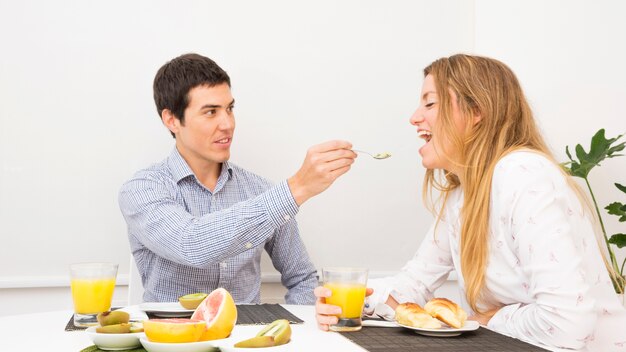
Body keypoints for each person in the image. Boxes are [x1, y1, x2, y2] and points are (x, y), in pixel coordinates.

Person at [314, 54, 626, 351]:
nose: (414, 117)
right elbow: (413, 284)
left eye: (431, 103)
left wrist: (490, 319)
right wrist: (352, 305)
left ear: (476, 112)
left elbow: (568, 323)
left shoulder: (523, 173)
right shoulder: (463, 195)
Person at [119, 53, 357, 305]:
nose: (227, 124)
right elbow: (192, 245)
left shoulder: (261, 191)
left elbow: (302, 280)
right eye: (210, 112)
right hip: (173, 339)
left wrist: (286, 334)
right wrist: (296, 188)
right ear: (172, 120)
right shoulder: (142, 190)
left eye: (229, 109)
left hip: (248, 341)